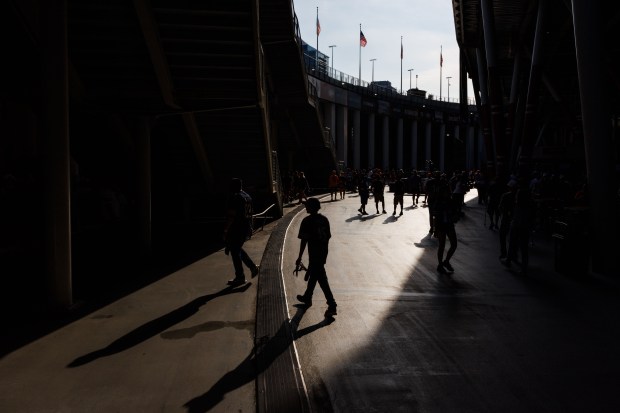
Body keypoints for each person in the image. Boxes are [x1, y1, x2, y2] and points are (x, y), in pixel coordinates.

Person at [295, 198, 337, 317]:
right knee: (314, 275)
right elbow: (328, 236)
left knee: (322, 279)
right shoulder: (324, 220)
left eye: (307, 206)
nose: (305, 208)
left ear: (312, 207)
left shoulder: (307, 221)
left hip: (314, 253)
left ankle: (332, 304)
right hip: (323, 252)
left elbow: (304, 240)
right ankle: (307, 297)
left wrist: (299, 257)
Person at [223, 178, 259, 285]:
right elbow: (251, 213)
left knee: (235, 251)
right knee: (237, 248)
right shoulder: (247, 196)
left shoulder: (235, 197)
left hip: (237, 228)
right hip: (245, 227)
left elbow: (231, 216)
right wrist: (251, 227)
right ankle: (252, 267)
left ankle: (240, 277)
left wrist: (225, 230)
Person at [434, 183, 459, 274]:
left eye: (448, 192)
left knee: (454, 244)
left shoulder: (451, 201)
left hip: (449, 225)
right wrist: (435, 229)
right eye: (445, 192)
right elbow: (436, 216)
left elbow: (455, 212)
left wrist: (455, 216)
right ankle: (440, 264)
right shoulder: (438, 203)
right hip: (441, 226)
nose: (447, 193)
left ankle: (446, 261)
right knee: (442, 245)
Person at [498, 179, 518, 259]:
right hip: (515, 218)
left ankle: (504, 252)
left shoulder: (505, 195)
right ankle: (513, 253)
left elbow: (500, 207)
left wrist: (503, 213)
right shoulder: (518, 196)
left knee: (502, 235)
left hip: (506, 218)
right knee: (514, 238)